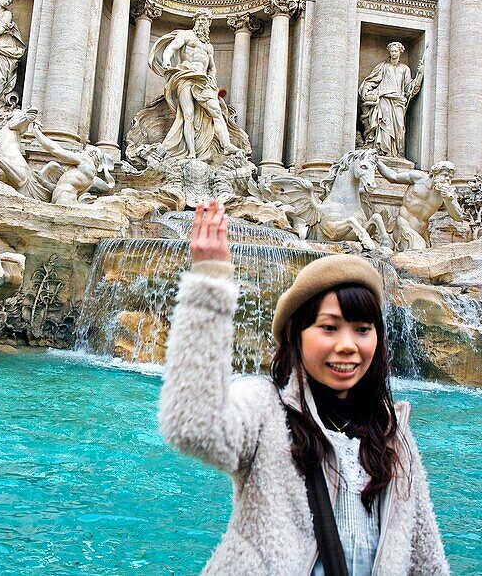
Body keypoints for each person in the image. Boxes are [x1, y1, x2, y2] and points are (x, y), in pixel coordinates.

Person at [159, 200, 448, 575]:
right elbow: (192, 426)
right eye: (329, 328)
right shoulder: (266, 410)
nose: (348, 344)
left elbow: (425, 557)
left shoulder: (393, 435)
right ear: (297, 334)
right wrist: (209, 284)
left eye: (363, 329)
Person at [151, 9, 242, 161]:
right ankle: (191, 153)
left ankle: (226, 145)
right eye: (199, 19)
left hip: (203, 80)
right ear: (195, 21)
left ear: (209, 24)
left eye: (205, 20)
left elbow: (212, 68)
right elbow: (171, 48)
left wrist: (212, 79)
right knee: (188, 115)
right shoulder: (186, 35)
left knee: (216, 112)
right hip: (186, 75)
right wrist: (166, 60)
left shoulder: (209, 47)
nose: (201, 22)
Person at [376, 159, 463, 251]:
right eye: (444, 175)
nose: (447, 179)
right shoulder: (418, 178)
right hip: (404, 225)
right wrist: (377, 162)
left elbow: (458, 217)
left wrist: (448, 200)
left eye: (450, 177)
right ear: (434, 174)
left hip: (422, 232)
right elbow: (393, 177)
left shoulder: (447, 193)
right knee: (418, 249)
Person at [358, 42, 423, 159]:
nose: (393, 53)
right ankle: (382, 151)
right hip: (384, 98)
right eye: (392, 51)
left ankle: (397, 153)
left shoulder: (405, 69)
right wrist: (366, 92)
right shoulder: (383, 66)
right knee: (384, 124)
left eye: (396, 51)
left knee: (399, 126)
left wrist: (420, 75)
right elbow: (371, 81)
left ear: (400, 52)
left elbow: (409, 88)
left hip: (398, 101)